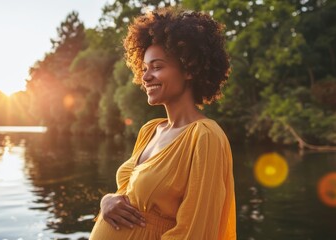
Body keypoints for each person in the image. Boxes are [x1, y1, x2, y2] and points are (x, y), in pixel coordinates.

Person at [89, 7, 236, 240]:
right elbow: (130, 196)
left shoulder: (205, 137)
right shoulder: (150, 130)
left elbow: (195, 232)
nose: (146, 77)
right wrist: (106, 200)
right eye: (144, 69)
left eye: (157, 67)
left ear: (189, 70)